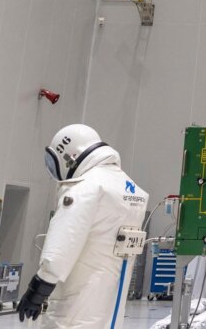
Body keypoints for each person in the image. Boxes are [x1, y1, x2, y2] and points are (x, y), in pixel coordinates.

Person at [16, 124, 150, 328]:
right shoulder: (130, 189)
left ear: (70, 156)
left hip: (75, 305)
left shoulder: (85, 187)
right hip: (112, 304)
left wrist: (38, 290)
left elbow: (64, 240)